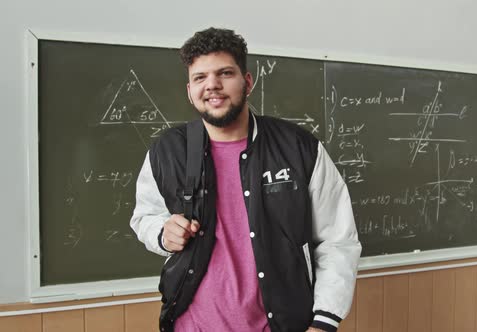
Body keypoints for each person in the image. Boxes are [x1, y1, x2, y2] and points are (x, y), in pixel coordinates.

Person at [130, 27, 361, 332]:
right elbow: (145, 216)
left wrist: (324, 321)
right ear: (189, 90)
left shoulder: (299, 147)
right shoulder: (167, 150)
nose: (212, 85)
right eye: (200, 77)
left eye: (225, 73)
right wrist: (162, 233)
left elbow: (337, 239)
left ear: (247, 81)